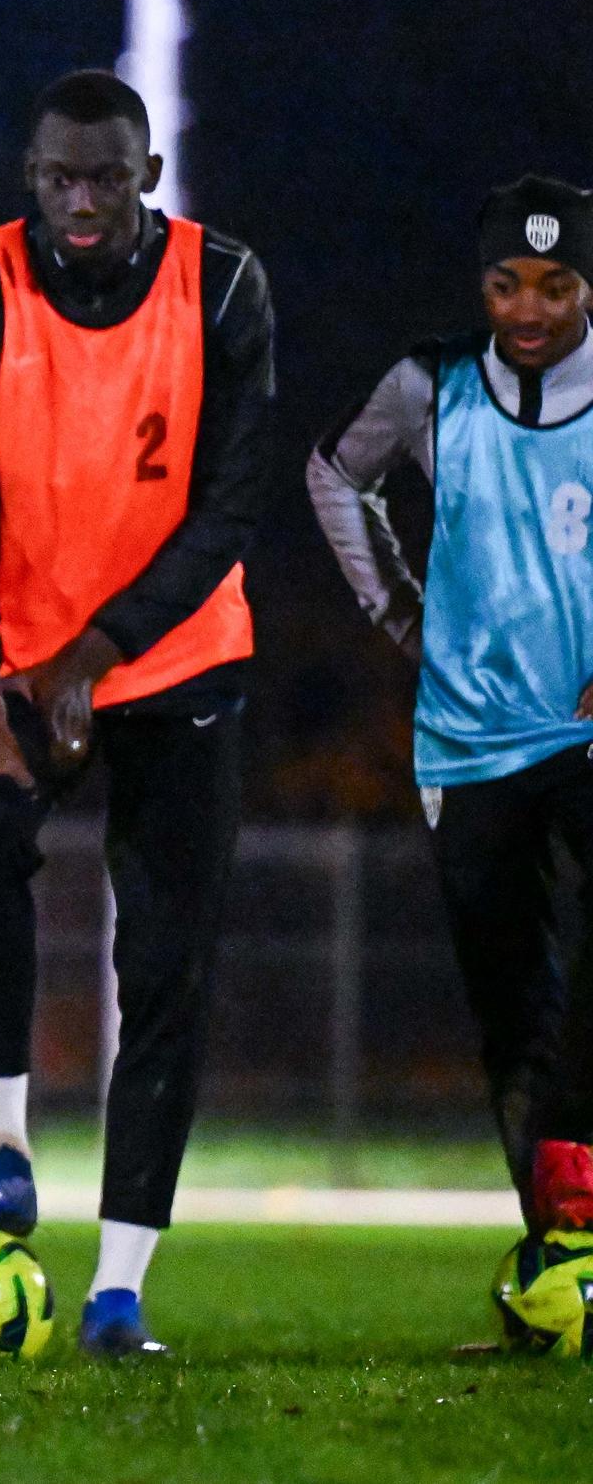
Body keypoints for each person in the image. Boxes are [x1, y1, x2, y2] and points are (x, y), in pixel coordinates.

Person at [0, 69, 277, 1359]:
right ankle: (1, 1156)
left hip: (176, 660)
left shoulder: (224, 288)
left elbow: (227, 513)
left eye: (107, 179)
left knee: (166, 963)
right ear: (28, 173)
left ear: (148, 181)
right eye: (60, 176)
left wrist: (94, 657)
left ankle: (120, 1289)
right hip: (17, 655)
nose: (81, 200)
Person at [308, 175, 593, 1236]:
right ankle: (562, 1257)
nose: (527, 309)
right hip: (469, 745)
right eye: (505, 283)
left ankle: (576, 1141)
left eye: (557, 284)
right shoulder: (433, 384)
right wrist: (400, 615)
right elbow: (333, 474)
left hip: (585, 732)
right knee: (507, 1007)